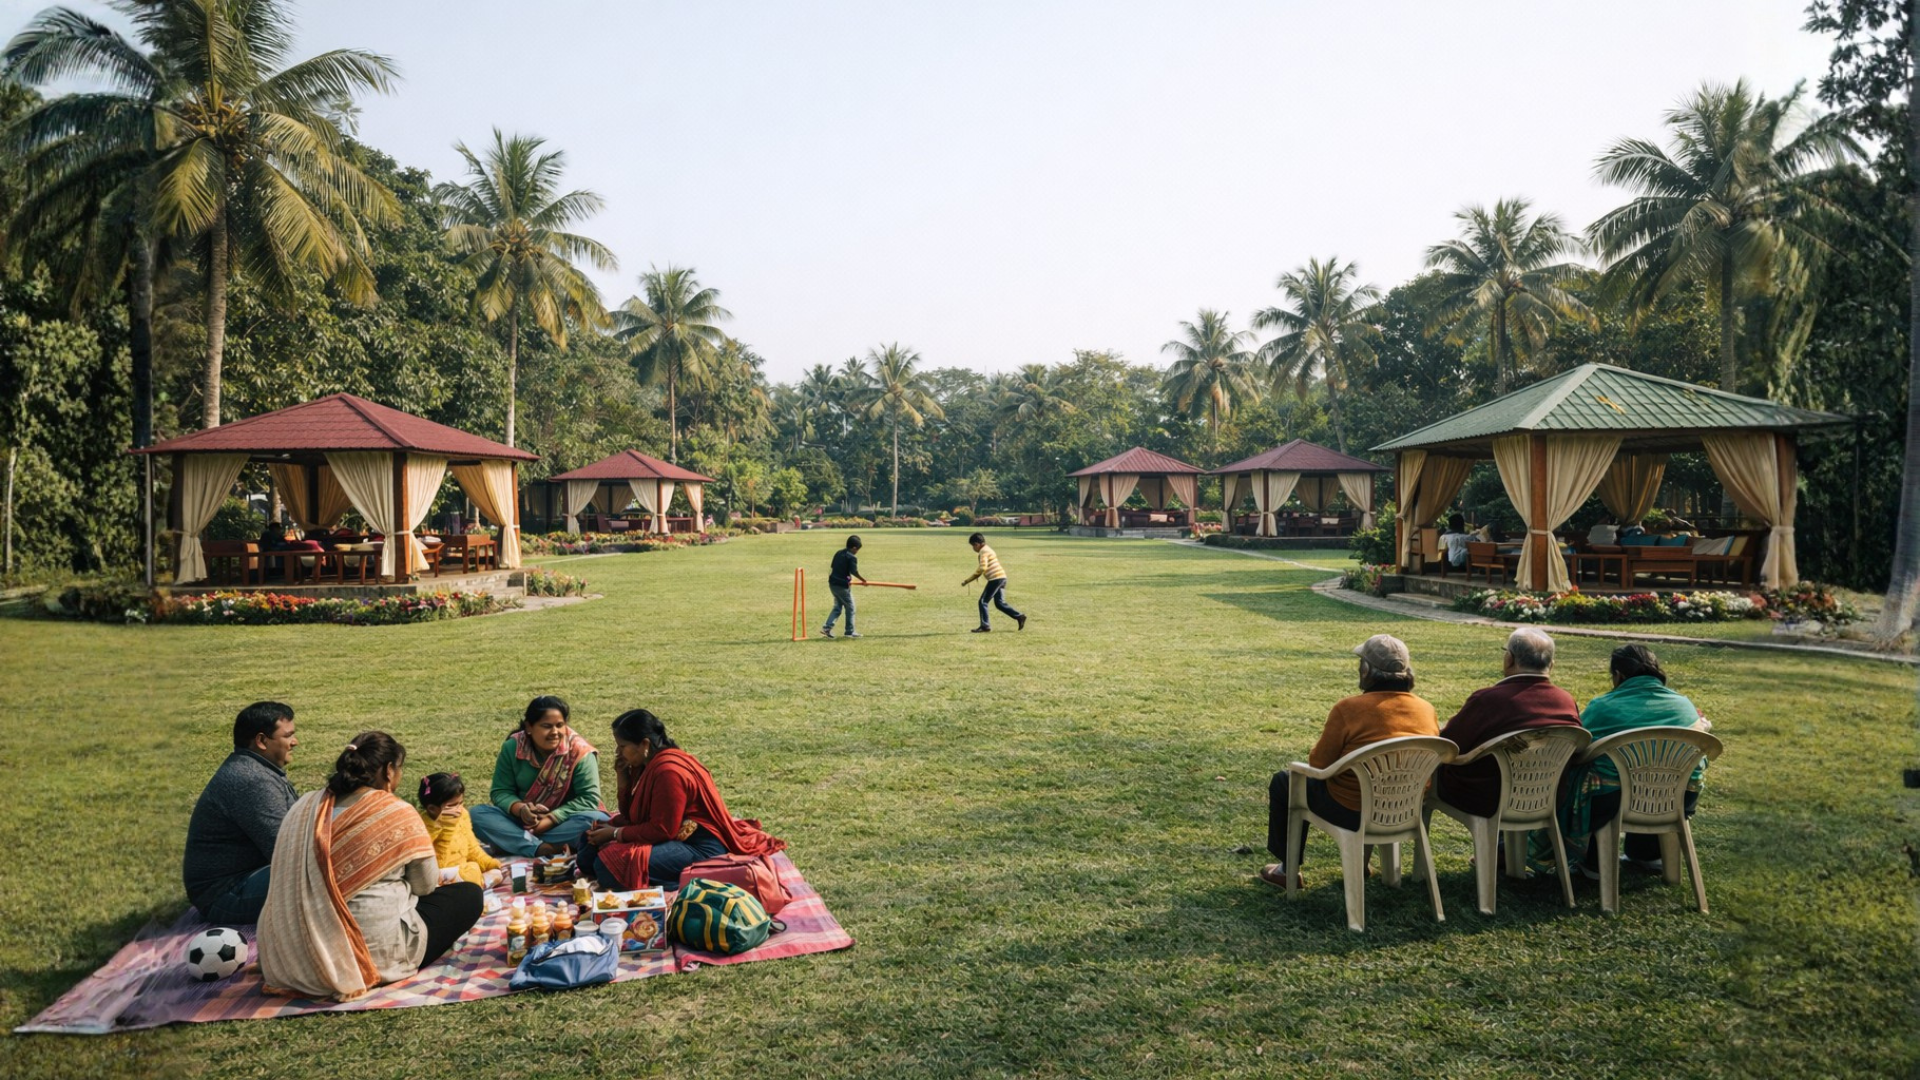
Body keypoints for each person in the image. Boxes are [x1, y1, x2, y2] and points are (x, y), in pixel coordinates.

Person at [257, 732, 483, 1001]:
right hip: (366, 957)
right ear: (389, 771)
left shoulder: (304, 806)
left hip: (288, 954)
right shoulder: (396, 810)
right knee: (469, 894)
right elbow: (425, 885)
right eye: (399, 770)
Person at [1262, 635, 1440, 888]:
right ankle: (1362, 864)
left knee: (1284, 782)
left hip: (1351, 811)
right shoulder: (1426, 709)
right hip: (1405, 809)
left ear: (1366, 670)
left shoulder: (1349, 709)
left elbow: (1318, 765)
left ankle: (1285, 871)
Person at [1542, 644, 1711, 877]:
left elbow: (1575, 745)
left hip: (1617, 802)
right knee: (1647, 779)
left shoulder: (1603, 707)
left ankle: (1592, 861)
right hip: (1678, 798)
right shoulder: (1684, 705)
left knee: (1580, 774)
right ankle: (1647, 854)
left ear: (1618, 675)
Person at [577, 709, 786, 889]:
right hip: (669, 835)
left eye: (622, 746)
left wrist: (615, 834)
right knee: (586, 846)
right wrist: (622, 778)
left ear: (644, 744)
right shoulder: (644, 764)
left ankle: (693, 877)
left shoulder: (669, 771)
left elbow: (662, 830)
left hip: (698, 845)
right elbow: (630, 815)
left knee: (607, 867)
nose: (618, 752)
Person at [1433, 628, 1582, 819]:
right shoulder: (1566, 701)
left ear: (1509, 659)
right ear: (1551, 665)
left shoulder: (1488, 700)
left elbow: (1448, 745)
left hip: (1486, 798)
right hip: (1546, 796)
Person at [182, 702, 301, 924]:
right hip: (225, 896)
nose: (295, 742)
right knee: (323, 875)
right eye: (288, 736)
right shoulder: (252, 781)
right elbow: (287, 852)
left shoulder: (258, 769)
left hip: (245, 878)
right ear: (262, 741)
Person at [468, 696, 611, 858]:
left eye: (560, 725)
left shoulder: (579, 752)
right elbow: (500, 791)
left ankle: (517, 843)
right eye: (546, 726)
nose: (555, 732)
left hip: (564, 821)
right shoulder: (512, 747)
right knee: (476, 815)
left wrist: (551, 818)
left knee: (595, 821)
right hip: (522, 821)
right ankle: (543, 848)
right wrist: (522, 810)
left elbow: (589, 799)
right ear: (529, 727)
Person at [417, 772, 502, 888]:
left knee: (492, 872)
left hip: (462, 870)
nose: (459, 810)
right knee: (472, 871)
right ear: (432, 809)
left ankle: (475, 884)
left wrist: (488, 863)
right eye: (452, 806)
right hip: (437, 875)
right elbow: (436, 865)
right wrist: (447, 828)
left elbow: (472, 848)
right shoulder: (422, 827)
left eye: (461, 803)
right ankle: (476, 885)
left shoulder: (462, 815)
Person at [960, 532, 1025, 633]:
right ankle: (1019, 616)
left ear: (977, 544)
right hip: (1002, 577)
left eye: (973, 546)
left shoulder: (983, 551)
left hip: (996, 578)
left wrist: (967, 580)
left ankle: (985, 626)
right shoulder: (988, 549)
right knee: (1000, 603)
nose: (973, 548)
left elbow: (982, 568)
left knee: (983, 601)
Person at [822, 534, 868, 639]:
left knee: (838, 607)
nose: (857, 552)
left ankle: (827, 628)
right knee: (850, 607)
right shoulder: (852, 557)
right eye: (857, 550)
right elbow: (854, 571)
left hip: (832, 584)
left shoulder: (839, 553)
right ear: (854, 548)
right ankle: (849, 632)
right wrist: (863, 580)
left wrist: (848, 578)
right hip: (842, 586)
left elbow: (834, 567)